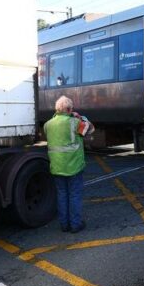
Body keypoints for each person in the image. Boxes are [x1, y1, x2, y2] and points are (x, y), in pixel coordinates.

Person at [43, 95, 93, 233]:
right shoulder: (75, 122)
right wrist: (80, 116)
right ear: (69, 109)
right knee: (74, 195)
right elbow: (90, 129)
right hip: (73, 167)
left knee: (62, 195)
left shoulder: (48, 124)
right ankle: (75, 224)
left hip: (57, 166)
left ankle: (64, 225)